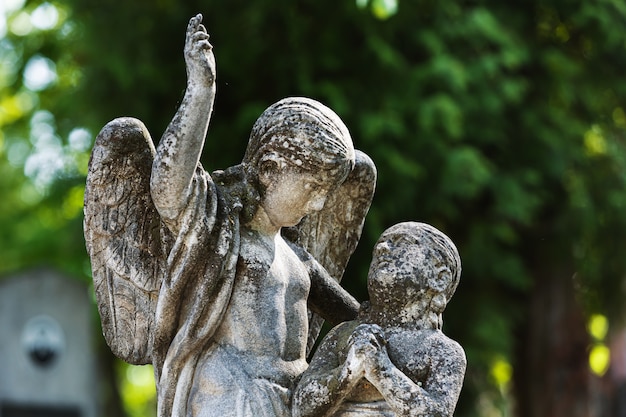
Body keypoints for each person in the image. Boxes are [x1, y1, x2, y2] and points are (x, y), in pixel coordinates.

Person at [86, 14, 368, 417]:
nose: (320, 204)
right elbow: (168, 188)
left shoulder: (298, 259)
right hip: (229, 397)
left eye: (327, 192)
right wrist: (201, 92)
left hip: (296, 401)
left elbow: (357, 320)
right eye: (312, 188)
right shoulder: (216, 229)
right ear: (269, 169)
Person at [292, 222, 466, 417]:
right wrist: (349, 371)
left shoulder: (443, 350)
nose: (383, 248)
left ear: (439, 278)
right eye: (380, 246)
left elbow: (437, 414)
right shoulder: (343, 334)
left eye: (402, 243)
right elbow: (301, 406)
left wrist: (380, 369)